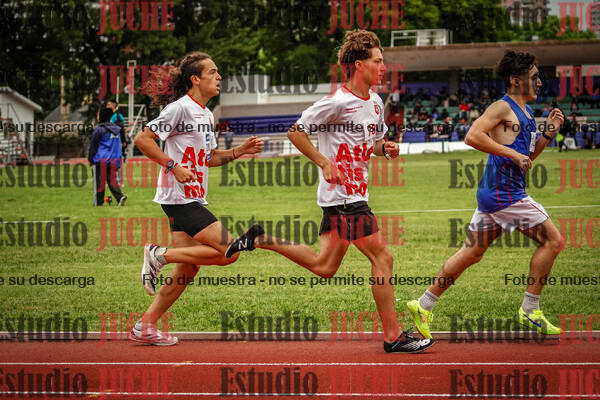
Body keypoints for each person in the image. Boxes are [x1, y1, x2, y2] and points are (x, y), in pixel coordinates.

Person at [223, 30, 434, 353]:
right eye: (378, 61)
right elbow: (296, 132)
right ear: (359, 65)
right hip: (345, 198)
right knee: (383, 257)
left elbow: (372, 144)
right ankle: (393, 336)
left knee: (324, 266)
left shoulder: (376, 103)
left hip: (348, 197)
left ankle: (262, 239)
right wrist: (324, 162)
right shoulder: (337, 102)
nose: (383, 68)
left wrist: (385, 148)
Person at [405, 50, 565, 339]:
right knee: (554, 241)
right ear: (516, 80)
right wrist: (512, 155)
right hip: (505, 195)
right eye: (534, 77)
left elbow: (527, 157)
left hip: (494, 193)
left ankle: (423, 304)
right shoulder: (501, 107)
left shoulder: (527, 113)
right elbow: (472, 136)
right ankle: (530, 309)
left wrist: (548, 133)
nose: (540, 82)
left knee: (472, 252)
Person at [130, 51, 264, 345]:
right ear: (195, 79)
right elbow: (142, 139)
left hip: (193, 197)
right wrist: (172, 166)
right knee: (230, 252)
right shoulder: (180, 108)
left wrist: (240, 151)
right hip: (178, 197)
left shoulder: (206, 114)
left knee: (188, 268)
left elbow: (210, 158)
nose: (219, 77)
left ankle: (145, 326)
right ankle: (158, 255)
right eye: (212, 72)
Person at [88, 107, 127, 206]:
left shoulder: (99, 130)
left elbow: (93, 146)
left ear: (101, 116)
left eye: (98, 115)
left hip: (100, 159)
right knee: (112, 180)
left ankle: (98, 202)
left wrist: (90, 158)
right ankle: (120, 197)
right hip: (113, 159)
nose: (97, 117)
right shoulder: (117, 130)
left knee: (99, 182)